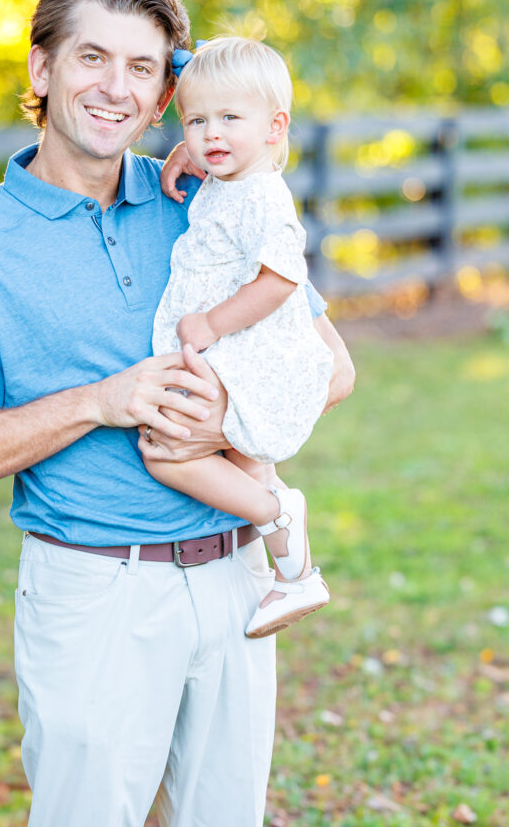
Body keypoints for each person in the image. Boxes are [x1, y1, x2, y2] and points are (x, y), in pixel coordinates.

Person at [0, 0, 355, 827]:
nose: (116, 88)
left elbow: (334, 368)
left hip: (237, 577)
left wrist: (224, 419)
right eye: (92, 58)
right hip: (96, 589)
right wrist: (95, 403)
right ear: (41, 69)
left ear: (164, 91)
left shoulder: (206, 198)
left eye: (142, 67)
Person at [146, 36, 333, 640]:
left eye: (229, 119)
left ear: (276, 127)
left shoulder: (262, 196)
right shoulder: (233, 179)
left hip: (241, 350)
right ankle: (297, 575)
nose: (211, 133)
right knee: (249, 467)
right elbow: (220, 142)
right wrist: (194, 152)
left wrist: (211, 323)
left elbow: (281, 278)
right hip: (231, 352)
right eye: (196, 121)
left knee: (165, 452)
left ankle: (278, 514)